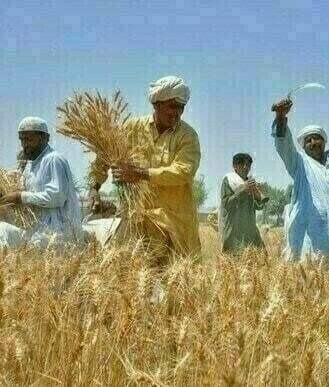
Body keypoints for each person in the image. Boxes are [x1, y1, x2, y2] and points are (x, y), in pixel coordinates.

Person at [88, 76, 201, 259]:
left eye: (182, 107)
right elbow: (105, 154)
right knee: (134, 272)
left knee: (176, 275)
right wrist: (94, 187)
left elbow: (183, 172)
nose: (178, 112)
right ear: (156, 104)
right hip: (137, 221)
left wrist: (140, 174)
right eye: (173, 106)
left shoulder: (187, 136)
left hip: (173, 224)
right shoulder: (132, 128)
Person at [271, 98, 329, 262]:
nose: (313, 143)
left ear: (324, 141)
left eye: (317, 138)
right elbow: (284, 146)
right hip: (313, 236)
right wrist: (280, 117)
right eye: (308, 140)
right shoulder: (299, 164)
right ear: (303, 146)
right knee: (312, 272)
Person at [0, 117, 82, 249]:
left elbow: (57, 197)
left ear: (45, 138)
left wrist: (20, 197)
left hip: (59, 234)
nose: (24, 144)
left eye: (29, 139)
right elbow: (23, 193)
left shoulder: (54, 159)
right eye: (22, 139)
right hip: (38, 231)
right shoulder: (30, 166)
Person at [219, 153, 269, 253]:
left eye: (248, 165)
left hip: (250, 230)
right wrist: (242, 190)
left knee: (261, 257)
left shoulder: (250, 182)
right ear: (234, 166)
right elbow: (226, 204)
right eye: (242, 164)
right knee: (234, 259)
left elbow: (258, 207)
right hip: (234, 233)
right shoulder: (229, 180)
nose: (245, 167)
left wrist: (257, 193)